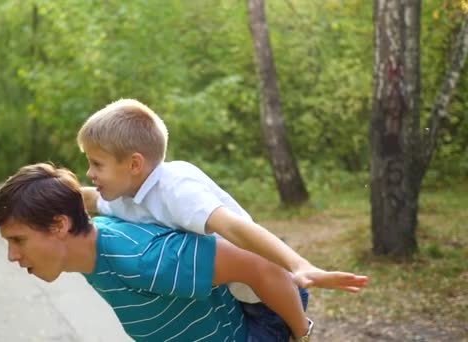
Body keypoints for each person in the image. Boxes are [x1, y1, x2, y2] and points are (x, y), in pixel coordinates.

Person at [76, 99, 369, 340]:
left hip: (270, 297)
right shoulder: (124, 196)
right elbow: (86, 197)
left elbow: (235, 228)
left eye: (97, 164)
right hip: (233, 299)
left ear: (134, 164)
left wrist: (298, 266)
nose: (90, 173)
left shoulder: (175, 189)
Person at [0, 163, 316, 341]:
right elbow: (86, 197)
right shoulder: (90, 251)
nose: (12, 256)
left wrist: (302, 334)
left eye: (19, 240)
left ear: (59, 226)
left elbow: (260, 266)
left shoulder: (143, 258)